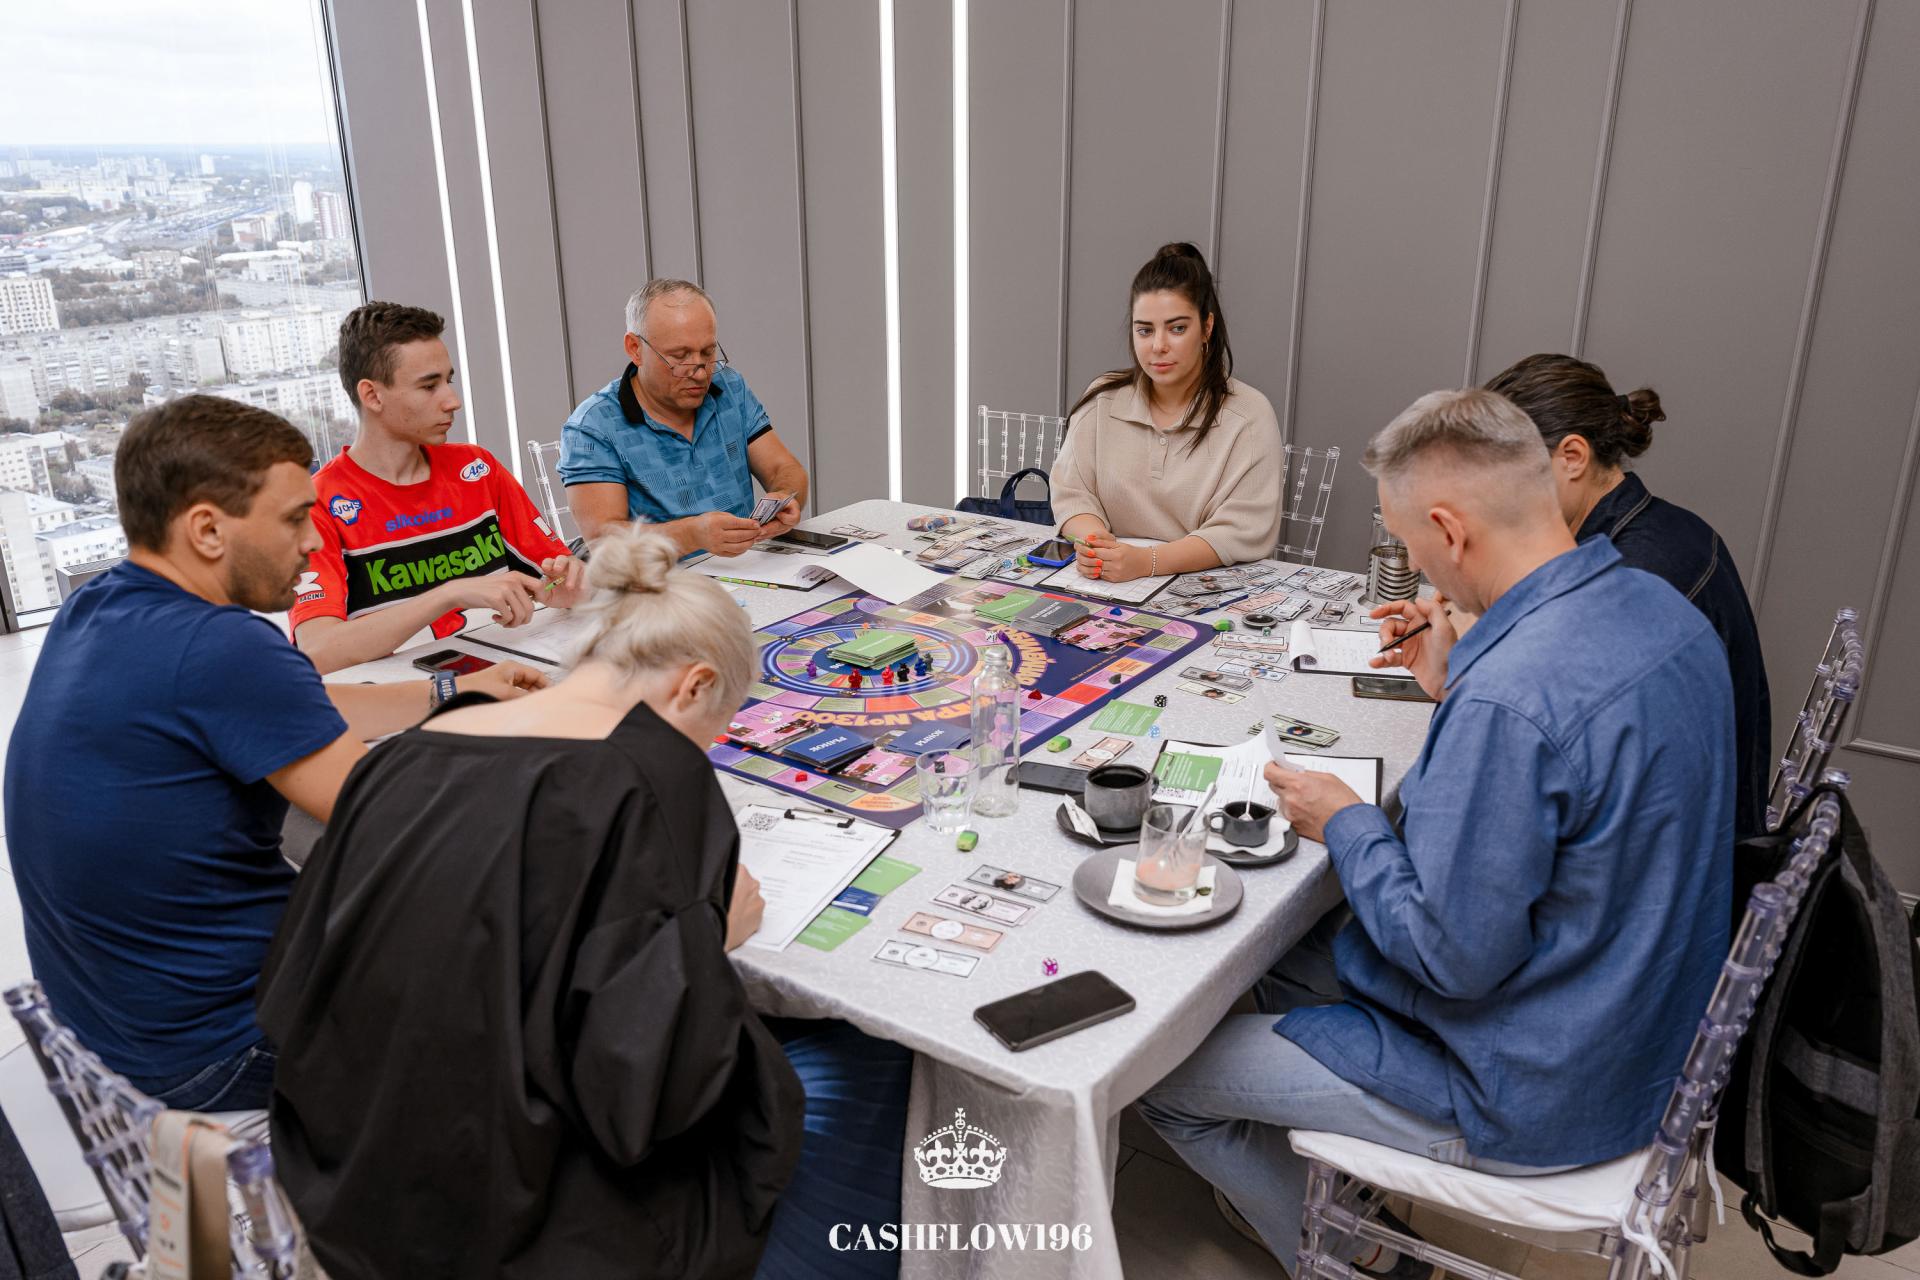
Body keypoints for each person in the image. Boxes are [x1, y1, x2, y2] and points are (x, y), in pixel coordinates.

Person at [1138, 389, 1735, 1277]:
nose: (1413, 566)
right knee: (1273, 958)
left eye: (1407, 542)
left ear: (1450, 531)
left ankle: (1361, 1261)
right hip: (1642, 1033)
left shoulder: (1511, 699)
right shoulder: (1662, 610)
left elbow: (1450, 956)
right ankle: (1328, 1174)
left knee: (1159, 1084)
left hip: (1531, 1086)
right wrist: (1455, 686)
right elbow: (1581, 789)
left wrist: (1345, 820)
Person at [257, 525, 911, 1280]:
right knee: (870, 1050)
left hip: (339, 1179)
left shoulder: (412, 747)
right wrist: (706, 934)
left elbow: (295, 982)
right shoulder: (650, 781)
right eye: (714, 730)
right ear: (694, 686)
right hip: (519, 1230)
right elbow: (650, 1096)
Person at [2, 396, 542, 1112]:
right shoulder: (222, 647)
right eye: (294, 519)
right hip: (220, 1048)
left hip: (114, 1023)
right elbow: (397, 825)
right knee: (534, 981)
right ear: (207, 530)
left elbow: (288, 708)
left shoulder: (100, 604)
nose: (315, 543)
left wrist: (449, 689)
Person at [1486, 352, 1773, 841]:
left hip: (1674, 853)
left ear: (1572, 457)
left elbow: (1547, 751)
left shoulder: (1630, 582)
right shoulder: (1671, 527)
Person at [292, 301, 592, 674]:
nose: (452, 401)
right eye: (428, 386)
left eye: (448, 381)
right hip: (403, 699)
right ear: (372, 396)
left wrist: (567, 585)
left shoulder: (477, 468)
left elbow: (559, 579)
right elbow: (318, 651)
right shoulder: (317, 502)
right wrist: (450, 593)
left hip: (511, 677)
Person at [1050, 242, 1282, 582]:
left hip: (1206, 587)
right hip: (1107, 583)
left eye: (1177, 328)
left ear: (1206, 327)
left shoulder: (1249, 416)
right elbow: (1072, 493)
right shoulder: (1102, 399)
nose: (1158, 346)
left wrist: (1148, 562)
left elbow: (1241, 529)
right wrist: (1096, 547)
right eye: (1145, 330)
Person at [559, 279, 810, 556]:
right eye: (680, 356)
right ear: (635, 348)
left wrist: (784, 496)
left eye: (708, 352)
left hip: (747, 567)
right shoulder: (593, 427)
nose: (700, 373)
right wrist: (692, 535)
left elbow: (783, 468)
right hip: (659, 579)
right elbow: (603, 540)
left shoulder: (729, 387)